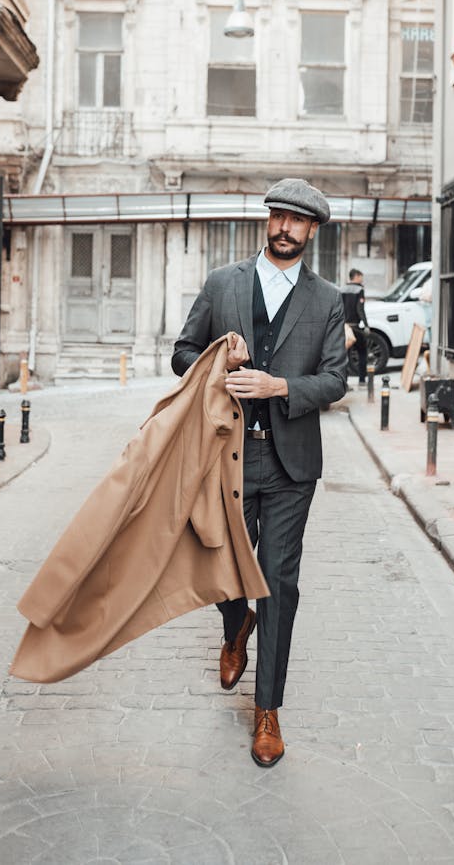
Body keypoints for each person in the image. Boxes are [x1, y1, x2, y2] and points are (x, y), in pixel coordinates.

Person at [172, 178, 347, 768]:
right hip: (227, 458)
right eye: (278, 217)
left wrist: (280, 386)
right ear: (267, 220)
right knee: (214, 565)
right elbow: (180, 352)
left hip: (291, 465)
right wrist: (219, 359)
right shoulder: (224, 283)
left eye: (298, 222)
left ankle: (267, 709)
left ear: (312, 231)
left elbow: (335, 380)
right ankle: (234, 624)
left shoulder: (327, 301)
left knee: (279, 583)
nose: (285, 229)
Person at [341, 267, 369, 385]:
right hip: (355, 327)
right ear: (356, 277)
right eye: (361, 277)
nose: (362, 280)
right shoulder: (359, 290)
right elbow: (360, 309)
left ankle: (345, 383)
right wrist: (366, 325)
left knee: (344, 355)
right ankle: (362, 380)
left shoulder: (341, 289)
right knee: (362, 352)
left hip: (344, 328)